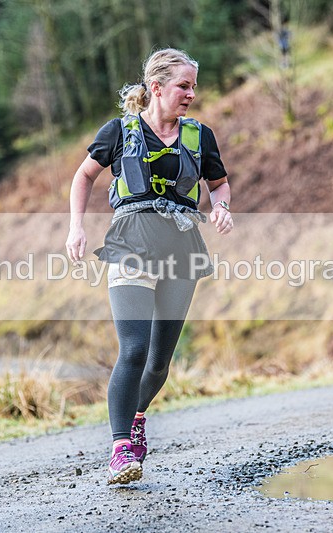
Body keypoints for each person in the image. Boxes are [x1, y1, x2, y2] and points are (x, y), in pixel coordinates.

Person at [65, 48, 233, 485]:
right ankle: (122, 447)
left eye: (194, 86)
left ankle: (138, 416)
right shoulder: (119, 132)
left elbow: (218, 184)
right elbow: (84, 176)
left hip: (181, 248)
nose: (192, 94)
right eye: (184, 85)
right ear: (156, 88)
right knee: (134, 349)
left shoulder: (200, 137)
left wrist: (222, 207)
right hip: (130, 244)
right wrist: (76, 228)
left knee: (159, 362)